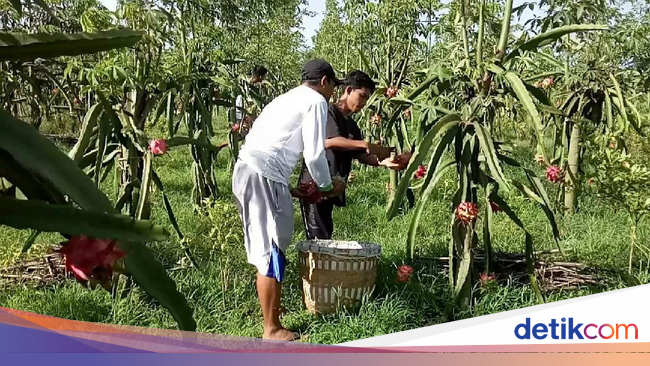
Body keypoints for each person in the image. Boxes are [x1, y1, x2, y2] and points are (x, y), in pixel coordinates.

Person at [232, 59, 345, 341]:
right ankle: (271, 328)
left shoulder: (286, 98)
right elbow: (315, 155)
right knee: (270, 252)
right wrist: (328, 185)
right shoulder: (316, 101)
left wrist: (289, 189)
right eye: (333, 85)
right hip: (264, 177)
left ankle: (274, 314)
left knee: (268, 247)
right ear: (323, 82)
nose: (333, 92)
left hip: (250, 172)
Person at [298, 70, 410, 240]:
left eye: (367, 98)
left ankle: (321, 265)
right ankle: (314, 266)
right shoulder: (327, 112)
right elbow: (329, 141)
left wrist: (386, 162)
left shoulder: (352, 125)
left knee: (325, 232)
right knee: (317, 236)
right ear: (348, 90)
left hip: (331, 187)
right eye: (362, 96)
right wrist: (367, 145)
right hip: (315, 185)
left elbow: (361, 155)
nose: (364, 102)